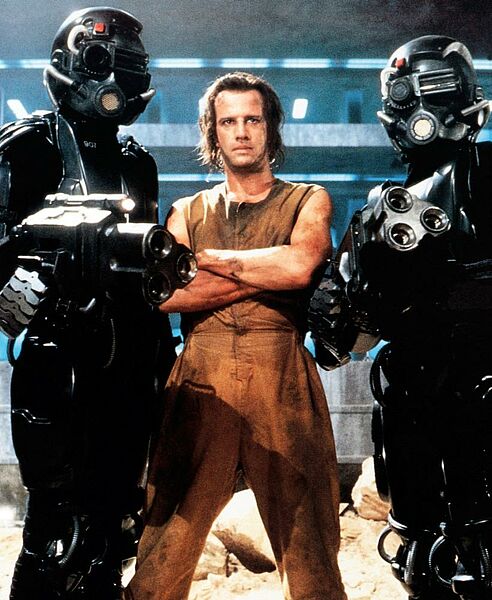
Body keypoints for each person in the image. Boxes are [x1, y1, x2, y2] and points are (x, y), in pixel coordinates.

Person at [125, 71, 347, 600]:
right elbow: (167, 295)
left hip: (282, 378)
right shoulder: (186, 210)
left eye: (253, 119)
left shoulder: (308, 200)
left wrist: (204, 261)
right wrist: (264, 273)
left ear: (271, 128)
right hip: (201, 383)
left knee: (311, 555)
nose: (242, 132)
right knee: (162, 554)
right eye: (228, 122)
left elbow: (300, 266)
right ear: (213, 132)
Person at [0, 7, 190, 599]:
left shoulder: (138, 163)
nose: (112, 78)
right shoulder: (26, 146)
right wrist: (27, 275)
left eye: (126, 65)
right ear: (67, 63)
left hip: (129, 363)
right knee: (56, 530)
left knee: (114, 529)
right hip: (57, 360)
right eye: (100, 59)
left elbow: (147, 275)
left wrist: (163, 364)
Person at [309, 36, 492, 600]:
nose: (419, 107)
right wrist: (343, 291)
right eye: (404, 94)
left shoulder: (484, 179)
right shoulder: (377, 213)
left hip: (477, 406)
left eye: (434, 87)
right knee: (425, 564)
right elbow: (340, 342)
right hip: (415, 422)